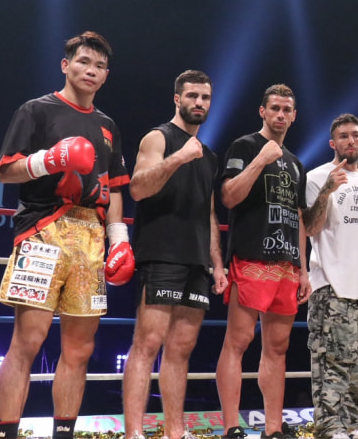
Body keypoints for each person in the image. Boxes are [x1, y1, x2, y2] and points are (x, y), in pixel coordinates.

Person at [0, 31, 134, 439]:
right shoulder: (36, 110)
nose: (91, 70)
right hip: (42, 230)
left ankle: (64, 434)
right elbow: (5, 171)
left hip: (91, 236)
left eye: (99, 66)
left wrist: (120, 239)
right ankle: (7, 434)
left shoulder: (107, 126)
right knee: (28, 341)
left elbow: (116, 188)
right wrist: (49, 160)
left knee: (79, 348)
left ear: (106, 75)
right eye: (83, 62)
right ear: (65, 65)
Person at [122, 70, 229, 439]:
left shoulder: (209, 155)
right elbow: (138, 188)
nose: (199, 103)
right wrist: (178, 158)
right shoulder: (159, 137)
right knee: (147, 344)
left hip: (196, 260)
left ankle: (175, 432)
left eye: (205, 97)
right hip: (161, 254)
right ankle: (134, 433)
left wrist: (217, 264)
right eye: (192, 96)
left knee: (182, 349)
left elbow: (209, 213)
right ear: (177, 98)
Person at [216, 84, 311, 439]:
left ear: (294, 115)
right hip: (251, 257)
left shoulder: (297, 163)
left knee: (278, 347)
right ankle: (231, 427)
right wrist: (260, 160)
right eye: (275, 108)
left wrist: (303, 268)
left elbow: (298, 217)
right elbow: (228, 196)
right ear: (263, 111)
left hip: (287, 264)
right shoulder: (244, 146)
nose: (280, 115)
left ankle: (273, 428)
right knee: (238, 340)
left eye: (287, 110)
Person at [303, 113, 358, 439]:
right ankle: (329, 428)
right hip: (331, 284)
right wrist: (327, 190)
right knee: (332, 361)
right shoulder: (316, 177)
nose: (350, 140)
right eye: (343, 136)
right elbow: (310, 227)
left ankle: (352, 426)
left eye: (355, 135)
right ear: (333, 143)